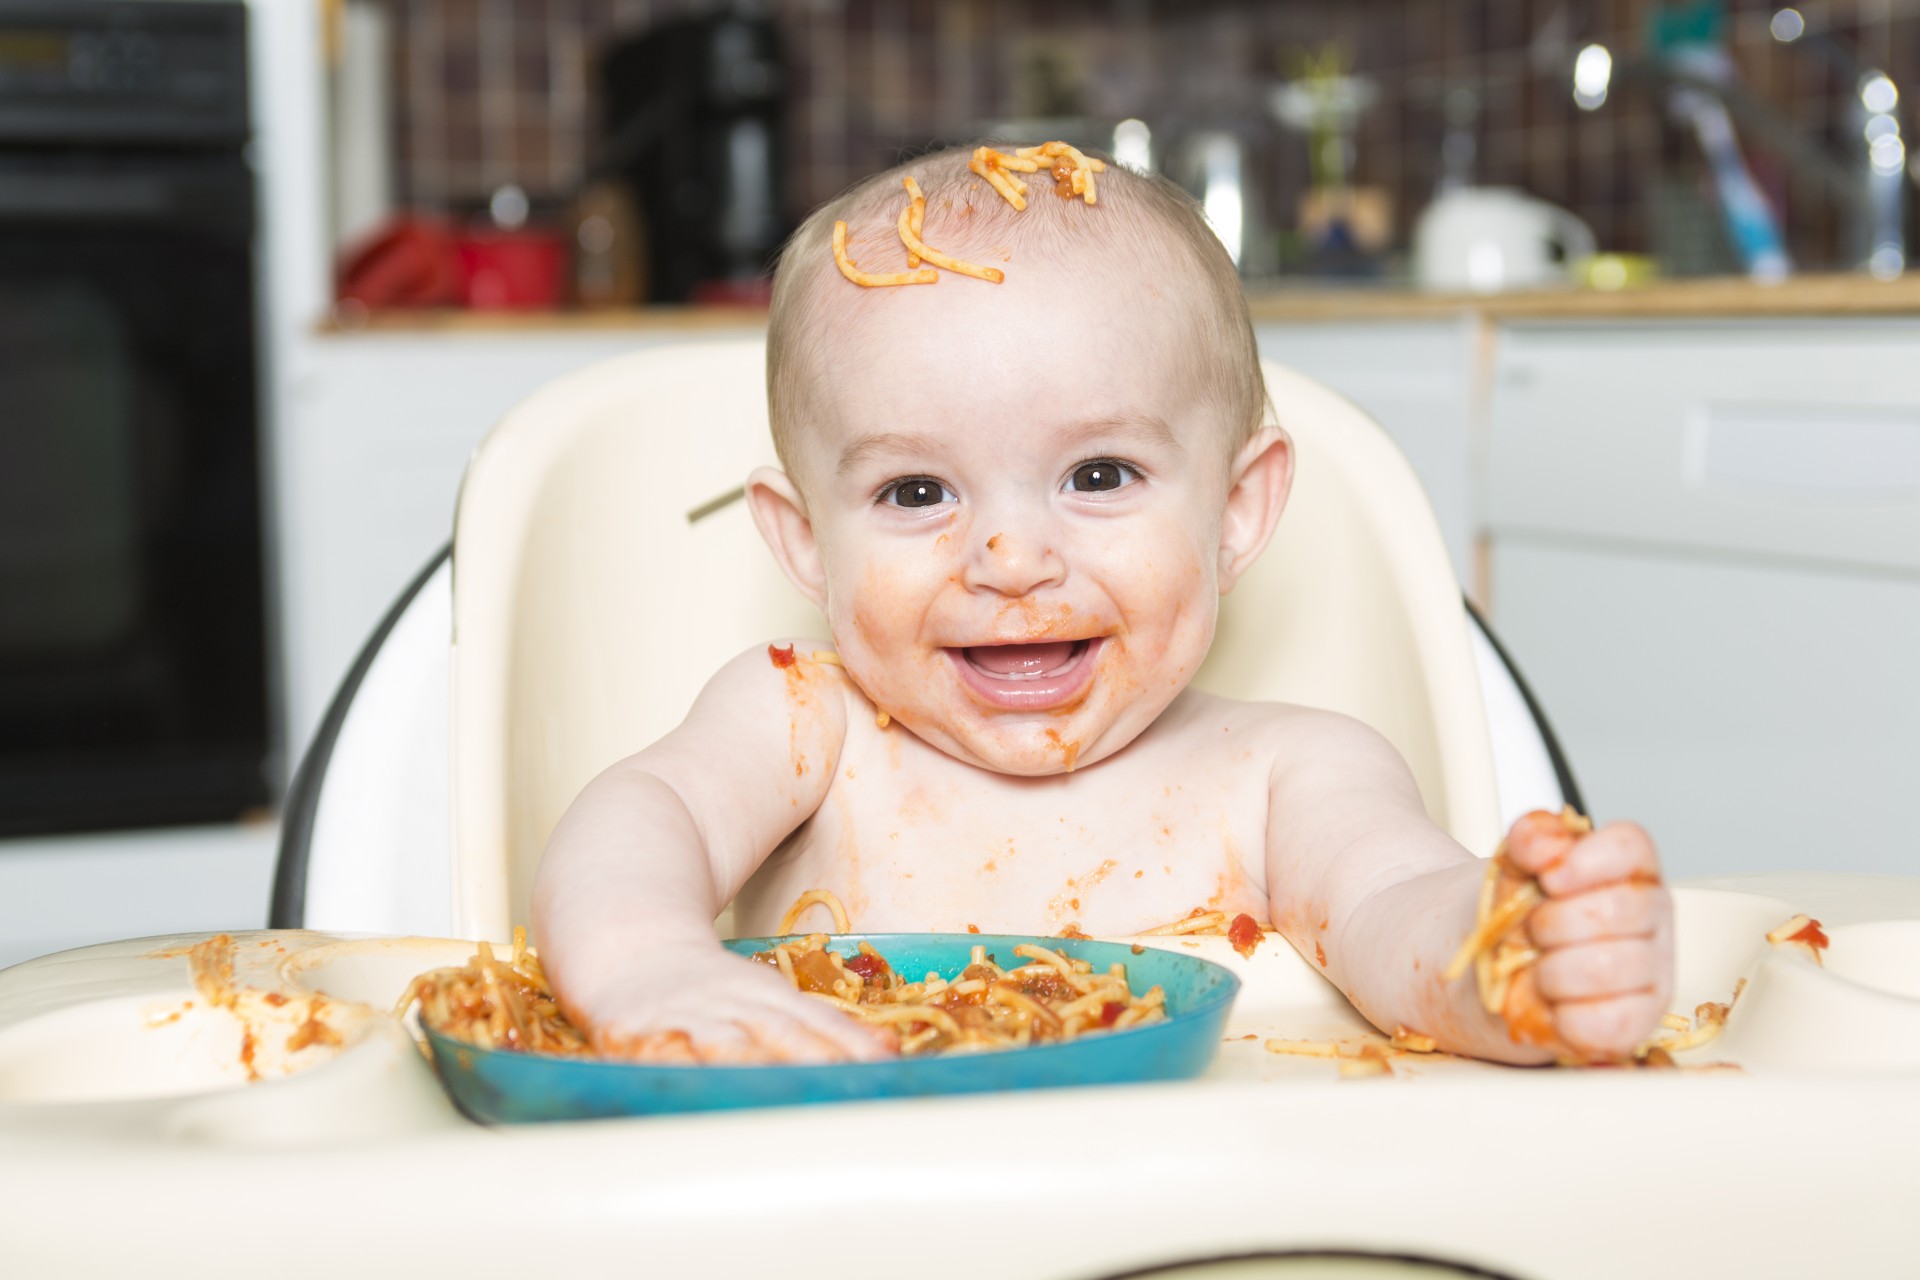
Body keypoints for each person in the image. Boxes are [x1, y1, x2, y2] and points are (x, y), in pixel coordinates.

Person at [531, 143, 1672, 1066]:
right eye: (916, 490)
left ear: (1235, 510)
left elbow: (1396, 909)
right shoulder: (804, 728)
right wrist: (647, 959)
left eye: (1099, 474)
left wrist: (1515, 959)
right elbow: (641, 817)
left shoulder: (1284, 776)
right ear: (806, 544)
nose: (1013, 557)